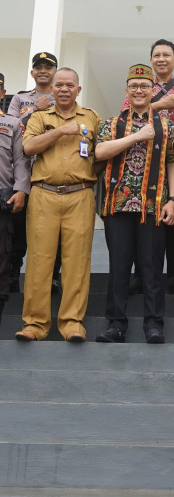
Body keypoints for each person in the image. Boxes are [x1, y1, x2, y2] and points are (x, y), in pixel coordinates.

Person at [15, 67, 101, 343]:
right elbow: (29, 148)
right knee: (40, 261)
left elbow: (100, 155)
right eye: (59, 85)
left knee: (76, 261)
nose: (64, 89)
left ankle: (72, 323)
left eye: (69, 85)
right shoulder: (39, 117)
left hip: (80, 194)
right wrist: (62, 131)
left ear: (78, 89)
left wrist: (87, 177)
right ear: (51, 89)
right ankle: (35, 324)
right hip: (44, 194)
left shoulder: (91, 117)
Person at [95, 64, 174, 344]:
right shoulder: (112, 123)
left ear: (153, 90)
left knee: (152, 268)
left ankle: (154, 325)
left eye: (145, 86)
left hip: (153, 207)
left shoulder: (168, 125)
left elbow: (172, 162)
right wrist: (136, 136)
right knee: (119, 267)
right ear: (127, 91)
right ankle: (116, 324)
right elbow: (100, 151)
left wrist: (173, 200)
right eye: (134, 86)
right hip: (118, 206)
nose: (139, 90)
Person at [122, 38, 174, 296]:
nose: (161, 59)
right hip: (142, 167)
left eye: (167, 54)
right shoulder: (140, 85)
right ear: (151, 59)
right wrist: (158, 104)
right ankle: (140, 275)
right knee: (142, 221)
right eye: (157, 55)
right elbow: (125, 115)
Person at [7, 51, 60, 293]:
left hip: (48, 171)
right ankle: (11, 274)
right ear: (32, 72)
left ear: (54, 72)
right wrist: (32, 111)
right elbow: (8, 127)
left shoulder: (61, 96)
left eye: (48, 67)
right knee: (18, 227)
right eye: (38, 67)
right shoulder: (20, 98)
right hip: (22, 171)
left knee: (52, 229)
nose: (43, 71)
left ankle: (54, 276)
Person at [0, 72, 30, 323]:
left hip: (3, 198)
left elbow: (20, 160)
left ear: (2, 93)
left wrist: (21, 189)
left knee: (3, 254)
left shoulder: (11, 124)